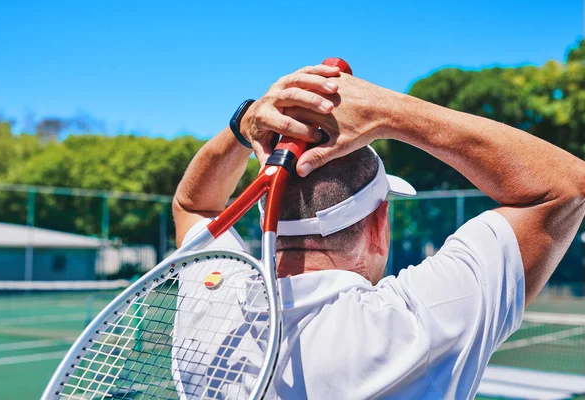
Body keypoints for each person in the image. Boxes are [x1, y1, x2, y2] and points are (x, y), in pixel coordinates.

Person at [172, 64, 585, 399]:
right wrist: (391, 111)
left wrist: (242, 123)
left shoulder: (215, 305)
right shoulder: (408, 329)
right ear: (379, 224)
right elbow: (566, 187)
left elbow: (194, 205)